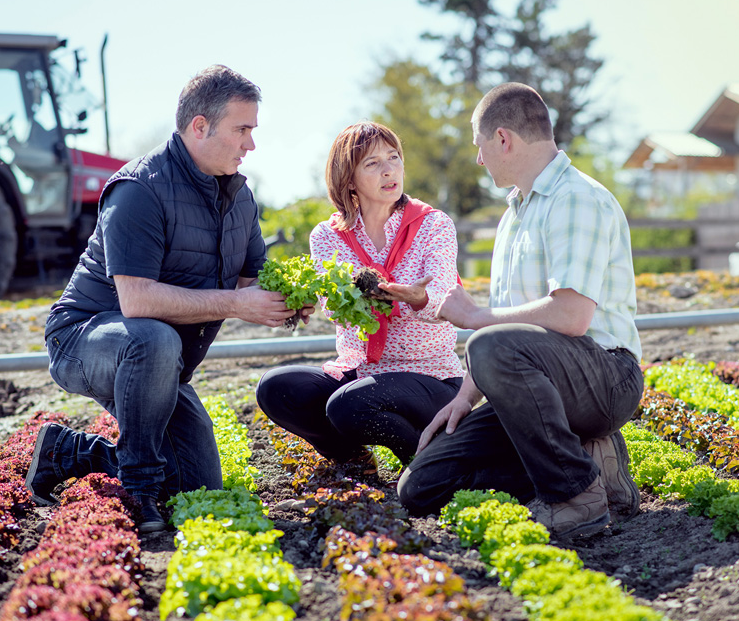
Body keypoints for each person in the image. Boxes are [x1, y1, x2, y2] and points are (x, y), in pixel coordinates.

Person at [25, 65, 311, 533]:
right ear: (200, 126)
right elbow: (136, 301)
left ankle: (65, 452)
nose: (250, 144)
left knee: (197, 482)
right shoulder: (139, 189)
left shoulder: (239, 198)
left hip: (160, 361)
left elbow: (249, 283)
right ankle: (138, 487)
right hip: (85, 341)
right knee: (153, 339)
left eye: (252, 131)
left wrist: (291, 299)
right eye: (242, 129)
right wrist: (238, 305)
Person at [396, 83, 644, 539]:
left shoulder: (575, 199)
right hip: (544, 386)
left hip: (606, 378)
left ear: (503, 139)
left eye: (480, 146)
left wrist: (476, 319)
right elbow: (508, 330)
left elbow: (571, 317)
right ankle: (591, 465)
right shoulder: (514, 215)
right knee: (420, 486)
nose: (479, 159)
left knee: (490, 341)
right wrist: (464, 398)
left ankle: (576, 497)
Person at [256, 121, 465, 470]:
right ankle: (355, 461)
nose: (389, 170)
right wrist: (327, 294)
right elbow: (337, 309)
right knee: (276, 388)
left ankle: (430, 466)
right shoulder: (328, 235)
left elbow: (444, 297)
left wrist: (416, 298)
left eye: (394, 158)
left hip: (430, 377)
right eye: (372, 163)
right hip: (360, 371)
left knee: (348, 405)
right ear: (349, 179)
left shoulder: (433, 224)